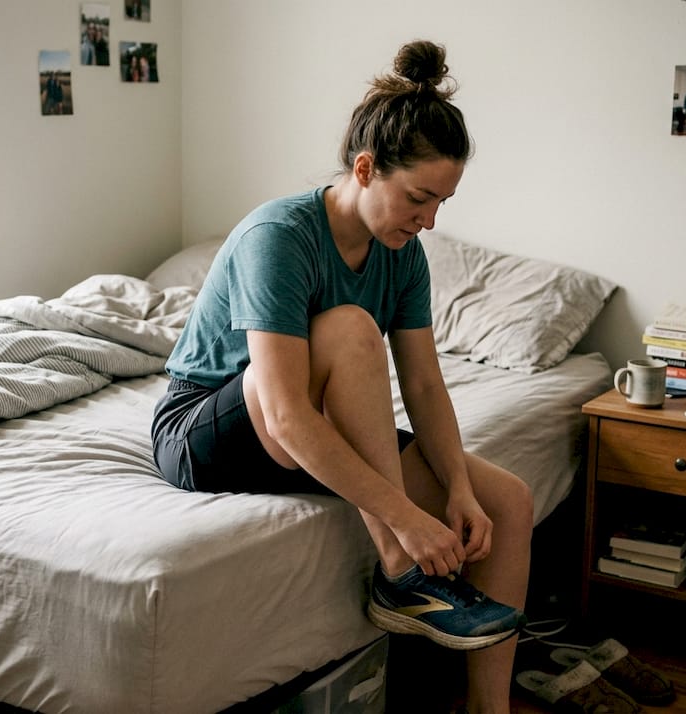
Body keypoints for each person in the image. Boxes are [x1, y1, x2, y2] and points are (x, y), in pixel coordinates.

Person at [150, 39, 532, 713]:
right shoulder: (280, 236)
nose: (429, 221)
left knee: (508, 501)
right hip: (209, 429)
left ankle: (488, 709)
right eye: (418, 198)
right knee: (351, 328)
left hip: (304, 426)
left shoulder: (404, 254)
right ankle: (398, 576)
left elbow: (424, 386)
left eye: (442, 204)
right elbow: (284, 413)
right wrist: (405, 520)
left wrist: (459, 489)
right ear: (365, 168)